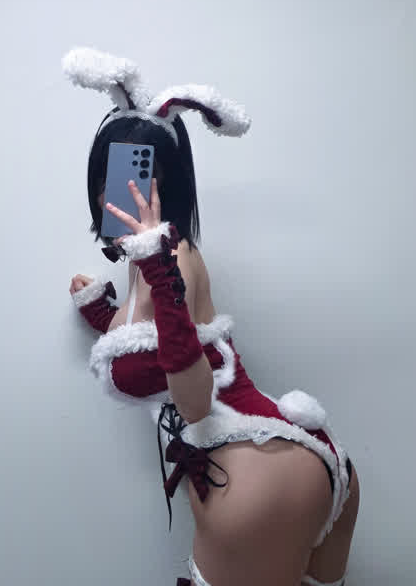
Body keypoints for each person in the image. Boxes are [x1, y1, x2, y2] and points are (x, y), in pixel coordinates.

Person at [65, 47, 360, 586]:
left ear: (168, 183)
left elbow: (195, 399)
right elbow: (158, 344)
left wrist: (156, 266)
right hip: (280, 461)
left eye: (136, 173)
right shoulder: (150, 261)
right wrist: (103, 312)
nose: (115, 190)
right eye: (109, 173)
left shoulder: (170, 258)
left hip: (252, 479)